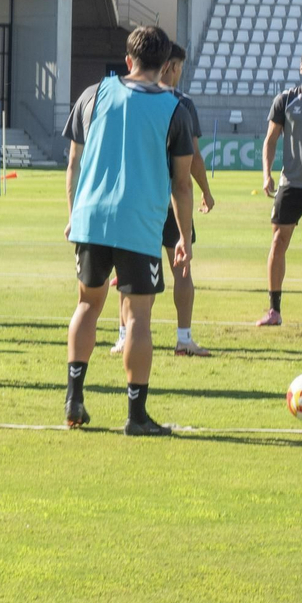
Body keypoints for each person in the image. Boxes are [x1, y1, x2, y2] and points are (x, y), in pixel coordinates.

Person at [62, 25, 195, 435]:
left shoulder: (93, 94)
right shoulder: (175, 108)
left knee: (87, 305)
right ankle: (136, 416)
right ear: (167, 65)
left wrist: (73, 214)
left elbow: (73, 164)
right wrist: (184, 237)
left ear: (128, 59)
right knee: (138, 315)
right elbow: (181, 183)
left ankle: (74, 398)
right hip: (138, 223)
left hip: (90, 218)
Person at [111, 41, 213, 357]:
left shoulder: (125, 98)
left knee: (129, 274)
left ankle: (124, 335)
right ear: (170, 66)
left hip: (136, 202)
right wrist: (206, 191)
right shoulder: (181, 104)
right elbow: (193, 157)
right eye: (180, 67)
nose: (180, 74)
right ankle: (183, 338)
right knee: (181, 269)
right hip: (170, 202)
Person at [257, 47, 302, 326]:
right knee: (278, 241)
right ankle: (274, 309)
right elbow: (271, 140)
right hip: (292, 184)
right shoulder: (286, 100)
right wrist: (267, 174)